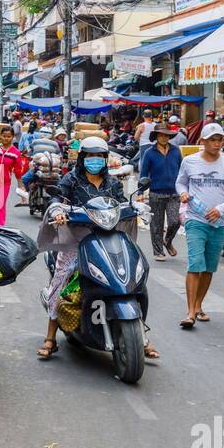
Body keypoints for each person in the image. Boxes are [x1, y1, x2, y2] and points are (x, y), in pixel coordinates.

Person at [37, 137, 158, 361]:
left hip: (108, 237)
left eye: (99, 157)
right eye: (90, 156)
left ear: (105, 159)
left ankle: (141, 335)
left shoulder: (111, 183)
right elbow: (56, 198)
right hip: (77, 239)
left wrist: (136, 206)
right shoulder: (71, 179)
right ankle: (50, 337)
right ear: (83, 158)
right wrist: (57, 211)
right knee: (61, 280)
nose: (95, 160)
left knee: (133, 279)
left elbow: (122, 202)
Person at [175, 123, 224, 328]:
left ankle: (198, 305)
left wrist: (222, 209)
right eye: (212, 140)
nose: (217, 144)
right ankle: (190, 313)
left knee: (208, 268)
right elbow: (180, 182)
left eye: (220, 140)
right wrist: (183, 193)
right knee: (195, 264)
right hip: (195, 220)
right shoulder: (189, 161)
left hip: (220, 222)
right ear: (202, 141)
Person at [139, 124, 182, 260]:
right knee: (156, 224)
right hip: (156, 193)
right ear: (156, 136)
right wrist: (141, 191)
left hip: (174, 193)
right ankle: (158, 252)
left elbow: (182, 171)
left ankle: (167, 241)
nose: (164, 137)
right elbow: (144, 173)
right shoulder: (149, 153)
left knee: (175, 221)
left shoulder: (176, 151)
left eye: (166, 135)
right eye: (161, 135)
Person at [0, 126, 24, 227]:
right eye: (4, 136)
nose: (6, 138)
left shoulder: (16, 153)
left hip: (4, 183)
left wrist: (21, 185)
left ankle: (1, 228)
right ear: (0, 136)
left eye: (9, 136)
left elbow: (18, 170)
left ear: (12, 137)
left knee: (0, 206)